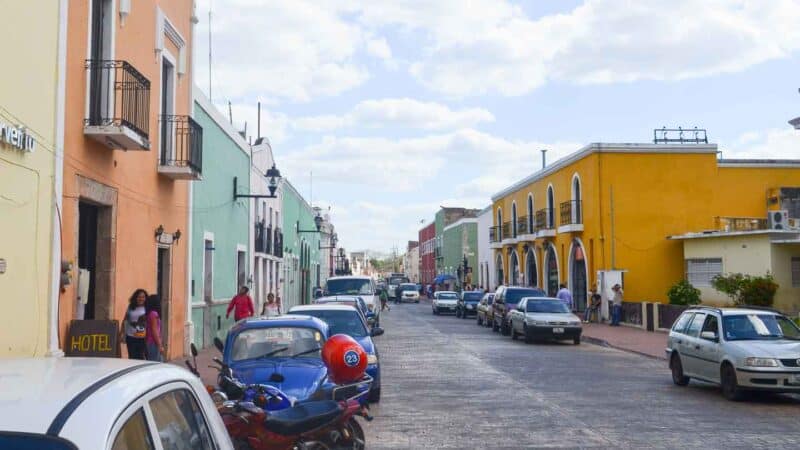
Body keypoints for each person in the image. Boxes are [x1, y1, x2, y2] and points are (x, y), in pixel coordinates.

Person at [122, 289, 148, 360]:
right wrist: (122, 333)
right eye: (139, 297)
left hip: (143, 337)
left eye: (143, 297)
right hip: (130, 337)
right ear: (135, 297)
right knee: (132, 357)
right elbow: (125, 320)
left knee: (141, 357)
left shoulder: (147, 308)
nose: (141, 299)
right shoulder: (131, 307)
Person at [145, 294, 165, 362]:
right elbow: (154, 331)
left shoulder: (150, 313)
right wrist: (160, 345)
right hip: (153, 342)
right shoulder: (154, 314)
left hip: (150, 342)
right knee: (155, 363)